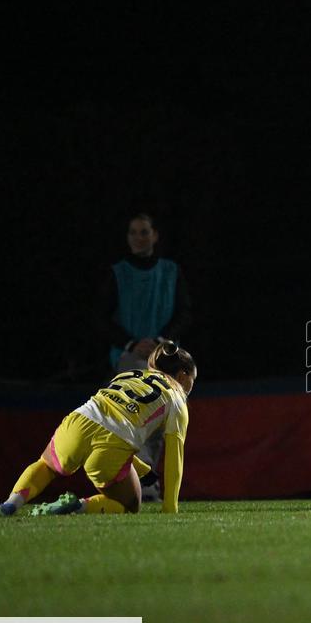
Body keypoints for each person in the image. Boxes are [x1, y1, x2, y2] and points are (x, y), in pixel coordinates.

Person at [0, 343, 196, 516]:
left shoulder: (128, 375)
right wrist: (170, 508)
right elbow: (174, 459)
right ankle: (78, 506)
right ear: (183, 376)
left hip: (80, 420)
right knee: (130, 505)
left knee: (46, 466)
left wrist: (141, 470)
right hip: (113, 444)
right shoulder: (177, 398)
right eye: (191, 381)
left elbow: (106, 417)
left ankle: (10, 504)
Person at [101, 213, 191, 498]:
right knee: (133, 418)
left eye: (144, 232)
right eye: (133, 233)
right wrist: (130, 343)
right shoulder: (118, 273)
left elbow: (184, 312)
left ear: (155, 236)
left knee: (162, 419)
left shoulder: (171, 271)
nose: (138, 238)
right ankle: (137, 480)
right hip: (130, 357)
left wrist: (162, 341)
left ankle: (147, 481)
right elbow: (99, 317)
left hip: (163, 357)